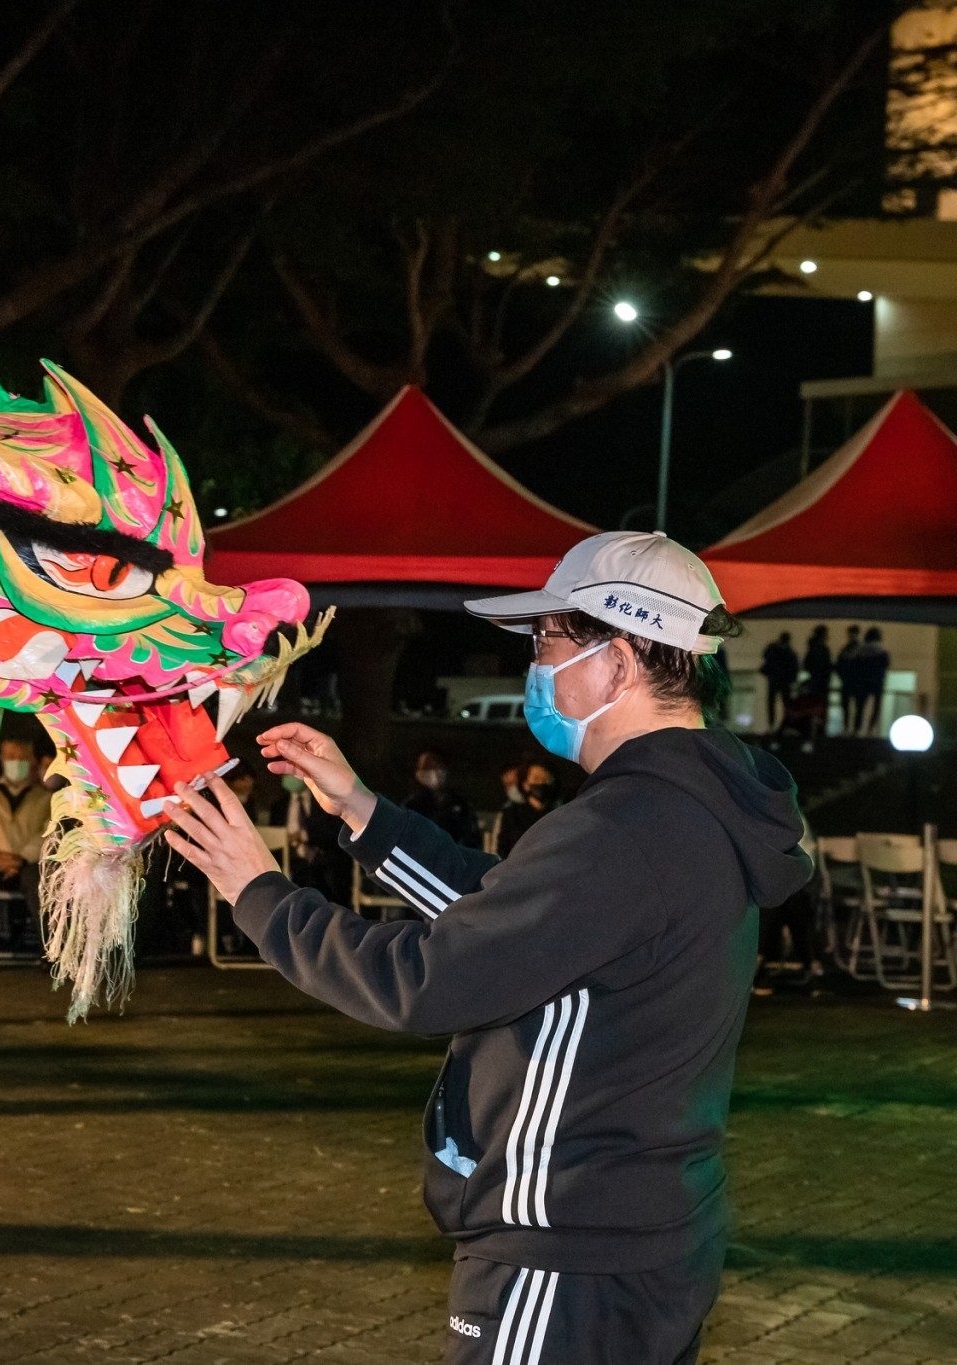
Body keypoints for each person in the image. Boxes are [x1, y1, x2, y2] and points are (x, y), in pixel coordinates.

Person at [164, 530, 810, 1364]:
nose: (533, 665)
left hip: (565, 1248)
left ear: (618, 661)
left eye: (547, 640)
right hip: (648, 1229)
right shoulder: (691, 808)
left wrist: (260, 893)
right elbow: (518, 922)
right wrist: (364, 813)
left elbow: (426, 980)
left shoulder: (622, 828)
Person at [0, 736, 52, 952]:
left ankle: (50, 949)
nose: (16, 761)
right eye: (10, 756)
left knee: (40, 886)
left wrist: (22, 857)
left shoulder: (45, 798)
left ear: (31, 760)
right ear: (0, 758)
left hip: (28, 863)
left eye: (21, 757)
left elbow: (48, 830)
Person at [404, 749, 481, 849]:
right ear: (418, 773)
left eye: (438, 766)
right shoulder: (411, 807)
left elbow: (472, 841)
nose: (434, 771)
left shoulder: (462, 806)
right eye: (427, 767)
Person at [496, 761, 559, 857]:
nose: (541, 782)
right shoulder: (512, 815)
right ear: (525, 784)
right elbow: (503, 849)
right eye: (536, 778)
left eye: (546, 778)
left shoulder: (559, 813)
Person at [852, 627, 891, 736]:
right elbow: (886, 665)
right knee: (876, 706)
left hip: (862, 682)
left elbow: (855, 667)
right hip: (877, 682)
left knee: (860, 707)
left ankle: (856, 729)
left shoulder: (860, 652)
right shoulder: (882, 653)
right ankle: (871, 729)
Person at [758, 631, 797, 733]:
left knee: (779, 704)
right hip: (780, 681)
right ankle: (777, 725)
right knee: (783, 704)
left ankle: (777, 725)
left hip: (777, 680)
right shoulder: (786, 652)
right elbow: (793, 667)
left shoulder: (781, 650)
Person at [802, 624, 833, 733]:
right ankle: (819, 730)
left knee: (815, 707)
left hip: (816, 683)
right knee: (819, 708)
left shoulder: (813, 648)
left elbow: (807, 664)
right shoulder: (821, 649)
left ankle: (816, 729)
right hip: (820, 683)